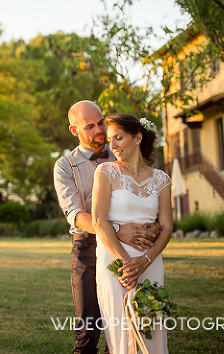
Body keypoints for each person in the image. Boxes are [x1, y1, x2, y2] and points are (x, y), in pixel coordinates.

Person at [54, 101, 159, 354]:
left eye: (101, 122)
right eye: (89, 126)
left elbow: (149, 198)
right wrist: (115, 230)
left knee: (127, 325)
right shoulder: (65, 166)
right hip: (87, 249)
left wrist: (154, 228)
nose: (99, 130)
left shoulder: (123, 153)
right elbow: (76, 215)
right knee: (88, 330)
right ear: (74, 130)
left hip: (131, 245)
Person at [92, 113, 173, 354]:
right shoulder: (105, 172)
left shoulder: (162, 179)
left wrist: (145, 261)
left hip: (151, 263)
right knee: (122, 334)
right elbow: (98, 220)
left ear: (137, 138)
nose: (113, 145)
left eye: (119, 137)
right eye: (110, 139)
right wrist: (127, 264)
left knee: (151, 329)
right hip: (115, 262)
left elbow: (166, 227)